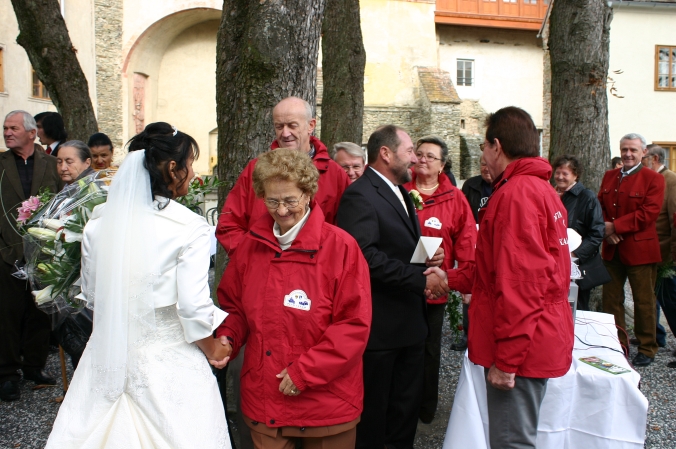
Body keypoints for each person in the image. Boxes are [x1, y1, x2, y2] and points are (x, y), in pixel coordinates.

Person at [46, 122, 232, 447]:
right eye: (189, 164)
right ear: (173, 168)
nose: (191, 172)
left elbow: (92, 296)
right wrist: (214, 348)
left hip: (106, 357)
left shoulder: (98, 223)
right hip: (169, 360)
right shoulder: (190, 228)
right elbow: (191, 306)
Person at [215, 148, 371, 448]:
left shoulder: (341, 248)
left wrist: (304, 372)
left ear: (309, 194)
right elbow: (234, 307)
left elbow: (353, 325)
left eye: (290, 200)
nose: (282, 210)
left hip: (327, 406)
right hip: (266, 402)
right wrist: (228, 339)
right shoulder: (250, 247)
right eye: (272, 201)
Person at [337, 125, 449, 449]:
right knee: (376, 419)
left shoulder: (400, 190)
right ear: (385, 153)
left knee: (404, 415)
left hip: (410, 326)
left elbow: (396, 246)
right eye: (410, 150)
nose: (415, 158)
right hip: (381, 330)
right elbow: (364, 257)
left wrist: (428, 255)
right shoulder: (360, 195)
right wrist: (419, 280)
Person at [470, 107, 573, 449]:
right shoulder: (539, 189)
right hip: (535, 334)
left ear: (496, 146)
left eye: (484, 146)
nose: (483, 154)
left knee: (511, 442)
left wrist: (507, 361)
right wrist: (452, 278)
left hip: (523, 346)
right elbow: (500, 270)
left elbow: (522, 285)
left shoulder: (518, 194)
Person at [402, 135, 476, 424]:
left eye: (429, 156)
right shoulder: (400, 189)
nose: (421, 159)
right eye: (418, 153)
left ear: (442, 165)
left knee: (430, 349)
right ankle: (401, 404)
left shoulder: (454, 198)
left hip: (435, 288)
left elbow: (467, 241)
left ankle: (426, 407)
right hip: (402, 283)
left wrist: (464, 281)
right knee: (401, 346)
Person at [216, 97, 350, 254]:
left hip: (314, 271)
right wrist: (250, 259)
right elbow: (229, 224)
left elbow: (346, 233)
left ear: (311, 125)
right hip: (263, 269)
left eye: (292, 126)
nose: (285, 133)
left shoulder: (335, 175)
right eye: (279, 127)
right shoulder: (255, 170)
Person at [0, 111, 62, 402]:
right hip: (6, 252)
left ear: (31, 134)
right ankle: (8, 374)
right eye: (5, 128)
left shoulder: (52, 165)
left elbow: (64, 202)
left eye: (13, 128)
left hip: (43, 253)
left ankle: (34, 367)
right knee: (7, 315)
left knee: (40, 312)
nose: (7, 132)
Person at [599, 133, 664, 367]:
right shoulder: (609, 176)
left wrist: (615, 227)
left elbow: (648, 214)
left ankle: (647, 347)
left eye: (633, 150)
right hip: (612, 248)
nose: (628, 154)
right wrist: (608, 230)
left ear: (643, 152)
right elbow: (601, 206)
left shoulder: (653, 179)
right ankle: (618, 344)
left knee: (644, 300)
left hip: (640, 250)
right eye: (624, 149)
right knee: (611, 299)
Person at [552, 154, 605, 311]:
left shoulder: (587, 197)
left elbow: (597, 233)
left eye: (565, 174)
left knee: (576, 308)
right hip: (554, 262)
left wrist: (575, 256)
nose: (560, 177)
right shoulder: (549, 194)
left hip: (578, 265)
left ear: (575, 175)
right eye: (558, 172)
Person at [640, 144, 676, 358]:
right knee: (650, 295)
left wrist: (673, 253)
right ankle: (655, 335)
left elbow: (674, 218)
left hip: (665, 253)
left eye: (644, 159)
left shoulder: (670, 180)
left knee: (670, 299)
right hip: (649, 250)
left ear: (654, 159)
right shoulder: (651, 178)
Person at [458, 154, 493, 351]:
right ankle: (467, 332)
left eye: (489, 164)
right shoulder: (471, 185)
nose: (486, 168)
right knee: (469, 286)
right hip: (472, 240)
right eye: (482, 165)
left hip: (490, 243)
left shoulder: (503, 186)